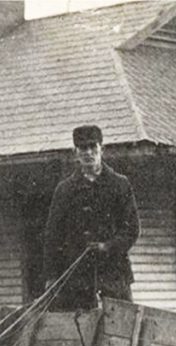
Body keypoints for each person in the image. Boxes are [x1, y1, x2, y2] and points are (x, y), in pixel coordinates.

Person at [43, 124, 140, 311]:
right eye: (82, 148)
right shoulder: (64, 190)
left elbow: (132, 230)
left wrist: (108, 246)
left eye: (92, 147)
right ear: (76, 152)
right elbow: (52, 236)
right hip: (76, 281)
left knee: (120, 331)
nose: (88, 153)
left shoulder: (120, 185)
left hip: (114, 276)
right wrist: (52, 277)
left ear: (101, 149)